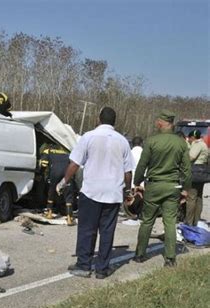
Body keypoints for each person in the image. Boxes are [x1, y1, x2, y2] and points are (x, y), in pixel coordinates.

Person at [57, 107, 134, 279]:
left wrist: (64, 182)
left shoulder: (88, 137)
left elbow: (74, 164)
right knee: (107, 231)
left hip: (91, 192)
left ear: (99, 119)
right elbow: (128, 172)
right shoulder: (122, 141)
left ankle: (84, 265)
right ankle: (102, 269)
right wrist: (127, 191)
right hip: (113, 193)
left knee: (87, 229)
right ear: (114, 121)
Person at [133, 110, 191, 267]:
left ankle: (140, 254)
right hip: (172, 186)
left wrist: (137, 183)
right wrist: (186, 189)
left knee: (147, 221)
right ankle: (170, 258)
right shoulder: (181, 143)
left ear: (160, 123)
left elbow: (142, 165)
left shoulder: (151, 141)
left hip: (154, 185)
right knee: (170, 222)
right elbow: (186, 169)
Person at [39, 143, 76, 225]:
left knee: (51, 191)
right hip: (67, 172)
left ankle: (49, 213)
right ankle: (69, 217)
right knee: (68, 194)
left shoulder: (47, 151)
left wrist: (40, 173)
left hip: (55, 172)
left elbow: (44, 163)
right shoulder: (66, 152)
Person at [185, 129, 208, 226]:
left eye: (190, 138)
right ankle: (197, 221)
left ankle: (189, 222)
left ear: (193, 137)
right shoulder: (204, 144)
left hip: (194, 172)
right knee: (198, 197)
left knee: (191, 197)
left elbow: (191, 157)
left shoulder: (198, 144)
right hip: (201, 173)